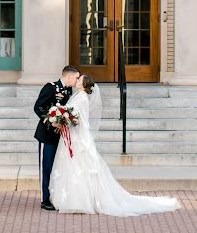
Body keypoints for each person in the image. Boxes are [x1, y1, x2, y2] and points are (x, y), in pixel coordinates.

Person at [49, 74, 180, 217]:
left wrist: (65, 119)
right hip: (72, 136)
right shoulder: (78, 95)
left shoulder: (81, 98)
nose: (77, 80)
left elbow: (80, 120)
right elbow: (73, 116)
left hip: (78, 138)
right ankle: (70, 199)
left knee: (80, 167)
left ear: (84, 84)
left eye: (79, 79)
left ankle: (80, 201)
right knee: (72, 166)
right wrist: (63, 118)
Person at [33, 65, 79, 211]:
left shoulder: (69, 90)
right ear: (69, 76)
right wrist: (51, 121)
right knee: (46, 167)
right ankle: (44, 199)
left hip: (61, 136)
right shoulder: (50, 87)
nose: (77, 80)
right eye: (76, 77)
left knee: (57, 167)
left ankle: (55, 195)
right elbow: (38, 107)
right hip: (47, 135)